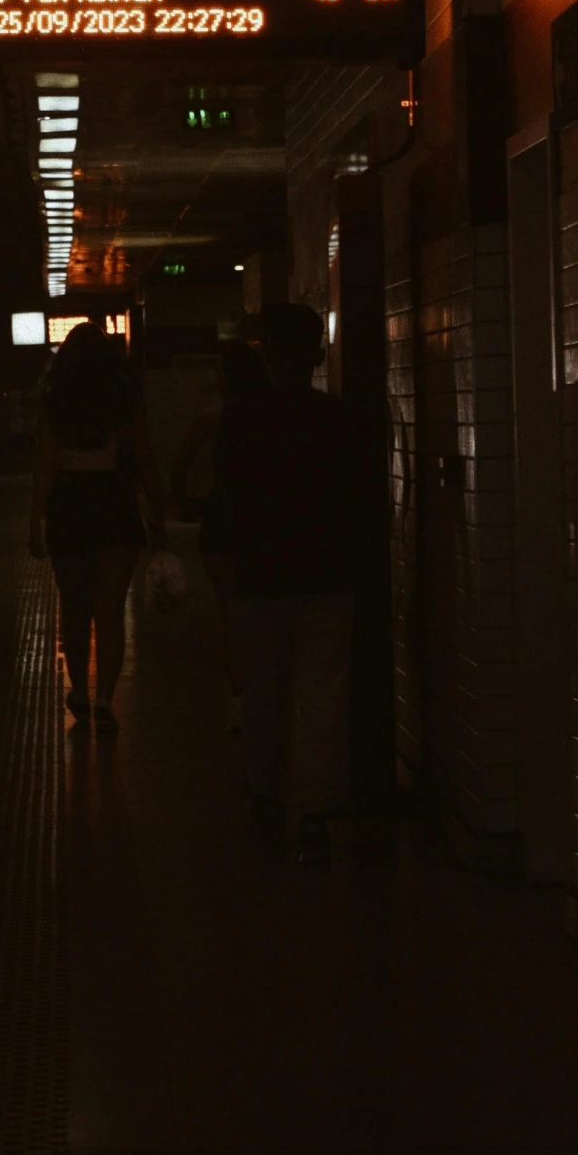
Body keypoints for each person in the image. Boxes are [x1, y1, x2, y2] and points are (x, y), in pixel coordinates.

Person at [213, 301, 355, 866]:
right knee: (321, 695)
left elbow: (226, 499)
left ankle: (265, 795)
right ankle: (315, 813)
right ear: (318, 355)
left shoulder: (238, 418)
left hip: (261, 575)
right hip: (327, 574)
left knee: (264, 692)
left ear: (267, 356)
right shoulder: (339, 419)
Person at [28, 321, 162, 734]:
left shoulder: (55, 400)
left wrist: (36, 522)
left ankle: (80, 694)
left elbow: (47, 465)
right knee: (109, 606)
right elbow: (143, 457)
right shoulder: (123, 397)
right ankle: (104, 698)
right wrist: (157, 513)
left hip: (70, 502)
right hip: (114, 501)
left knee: (75, 605)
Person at [174, 340, 271, 728]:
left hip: (222, 516)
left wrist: (185, 503)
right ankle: (270, 696)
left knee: (231, 615)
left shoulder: (213, 416)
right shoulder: (272, 413)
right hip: (265, 520)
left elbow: (179, 463)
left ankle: (240, 703)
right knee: (269, 612)